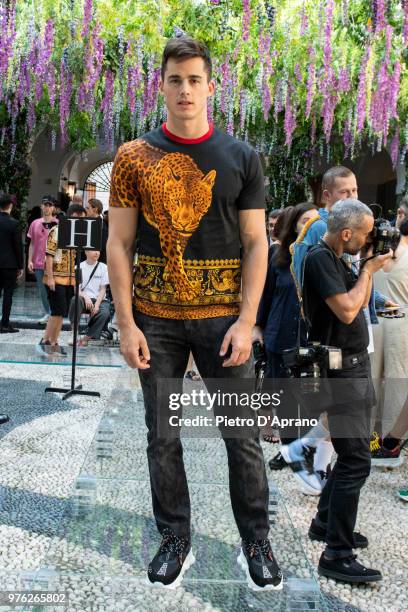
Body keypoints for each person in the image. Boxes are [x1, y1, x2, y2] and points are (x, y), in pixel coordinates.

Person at [107, 36, 282, 591]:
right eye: (175, 79)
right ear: (161, 85)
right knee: (162, 434)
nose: (185, 89)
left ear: (211, 85)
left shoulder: (241, 157)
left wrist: (248, 320)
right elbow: (119, 243)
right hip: (155, 321)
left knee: (242, 436)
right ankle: (175, 538)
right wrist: (127, 322)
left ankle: (255, 540)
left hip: (224, 320)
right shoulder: (133, 158)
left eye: (194, 79)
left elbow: (257, 243)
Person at [302, 199, 391, 583]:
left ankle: (325, 523)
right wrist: (369, 270)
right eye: (366, 233)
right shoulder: (321, 259)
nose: (370, 239)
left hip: (352, 367)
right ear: (346, 233)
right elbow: (348, 310)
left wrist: (365, 268)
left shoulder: (336, 257)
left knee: (349, 454)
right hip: (340, 373)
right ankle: (336, 554)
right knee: (356, 460)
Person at [370, 217, 408, 467]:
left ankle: (365, 438)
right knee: (397, 381)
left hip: (375, 320)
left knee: (371, 379)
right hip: (402, 321)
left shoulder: (377, 251)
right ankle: (391, 443)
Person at [38, 204, 87, 355]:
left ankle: (47, 340)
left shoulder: (74, 234)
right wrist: (51, 278)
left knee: (59, 312)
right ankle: (53, 342)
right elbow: (49, 255)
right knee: (58, 311)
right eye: (82, 219)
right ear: (75, 216)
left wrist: (74, 281)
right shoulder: (57, 230)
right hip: (56, 278)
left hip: (67, 279)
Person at [68, 249, 110, 346]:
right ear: (86, 252)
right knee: (75, 300)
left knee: (105, 313)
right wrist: (86, 297)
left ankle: (86, 338)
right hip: (83, 298)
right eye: (93, 250)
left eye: (98, 251)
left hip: (99, 299)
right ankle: (73, 333)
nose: (97, 253)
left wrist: (97, 305)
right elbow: (76, 290)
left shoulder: (103, 267)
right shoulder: (79, 267)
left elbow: (103, 289)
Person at [27, 196, 58, 324]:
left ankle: (55, 314)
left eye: (50, 205)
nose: (47, 207)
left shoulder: (58, 223)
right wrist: (30, 260)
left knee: (55, 289)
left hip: (55, 263)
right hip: (39, 263)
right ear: (41, 206)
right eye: (45, 204)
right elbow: (32, 244)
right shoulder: (35, 223)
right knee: (42, 290)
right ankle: (48, 313)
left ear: (53, 207)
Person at [0, 193, 23, 333]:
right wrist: (20, 266)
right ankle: (4, 324)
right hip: (9, 265)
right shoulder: (14, 223)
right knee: (8, 295)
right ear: (11, 206)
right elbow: (18, 246)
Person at [86, 198, 108, 264]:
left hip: (97, 262)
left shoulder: (100, 224)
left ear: (95, 209)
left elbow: (102, 246)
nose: (86, 210)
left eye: (88, 208)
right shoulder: (93, 222)